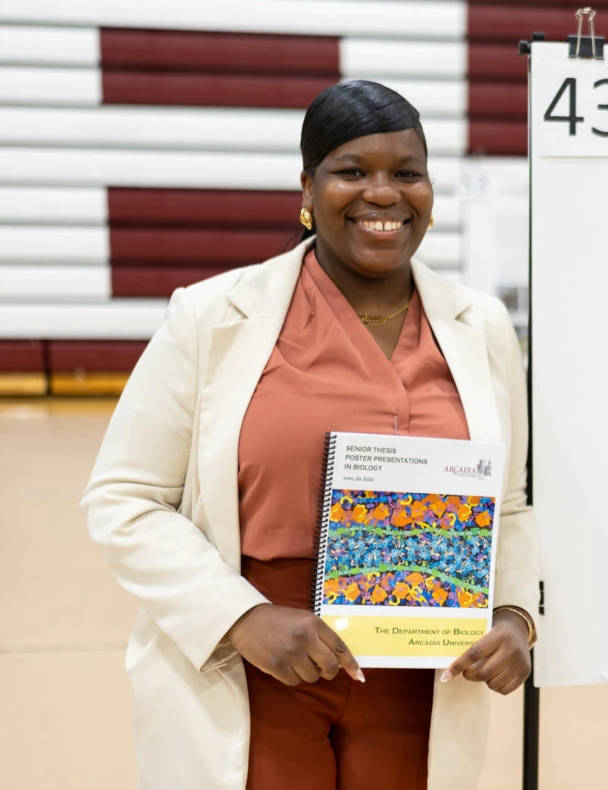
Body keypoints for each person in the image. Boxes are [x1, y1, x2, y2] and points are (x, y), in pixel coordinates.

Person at [82, 81, 539, 790]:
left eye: (406, 173)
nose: (383, 194)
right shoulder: (211, 317)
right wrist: (241, 618)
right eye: (353, 171)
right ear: (307, 186)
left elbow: (508, 506)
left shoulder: (479, 327)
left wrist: (514, 616)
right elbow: (124, 499)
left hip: (419, 673)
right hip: (257, 661)